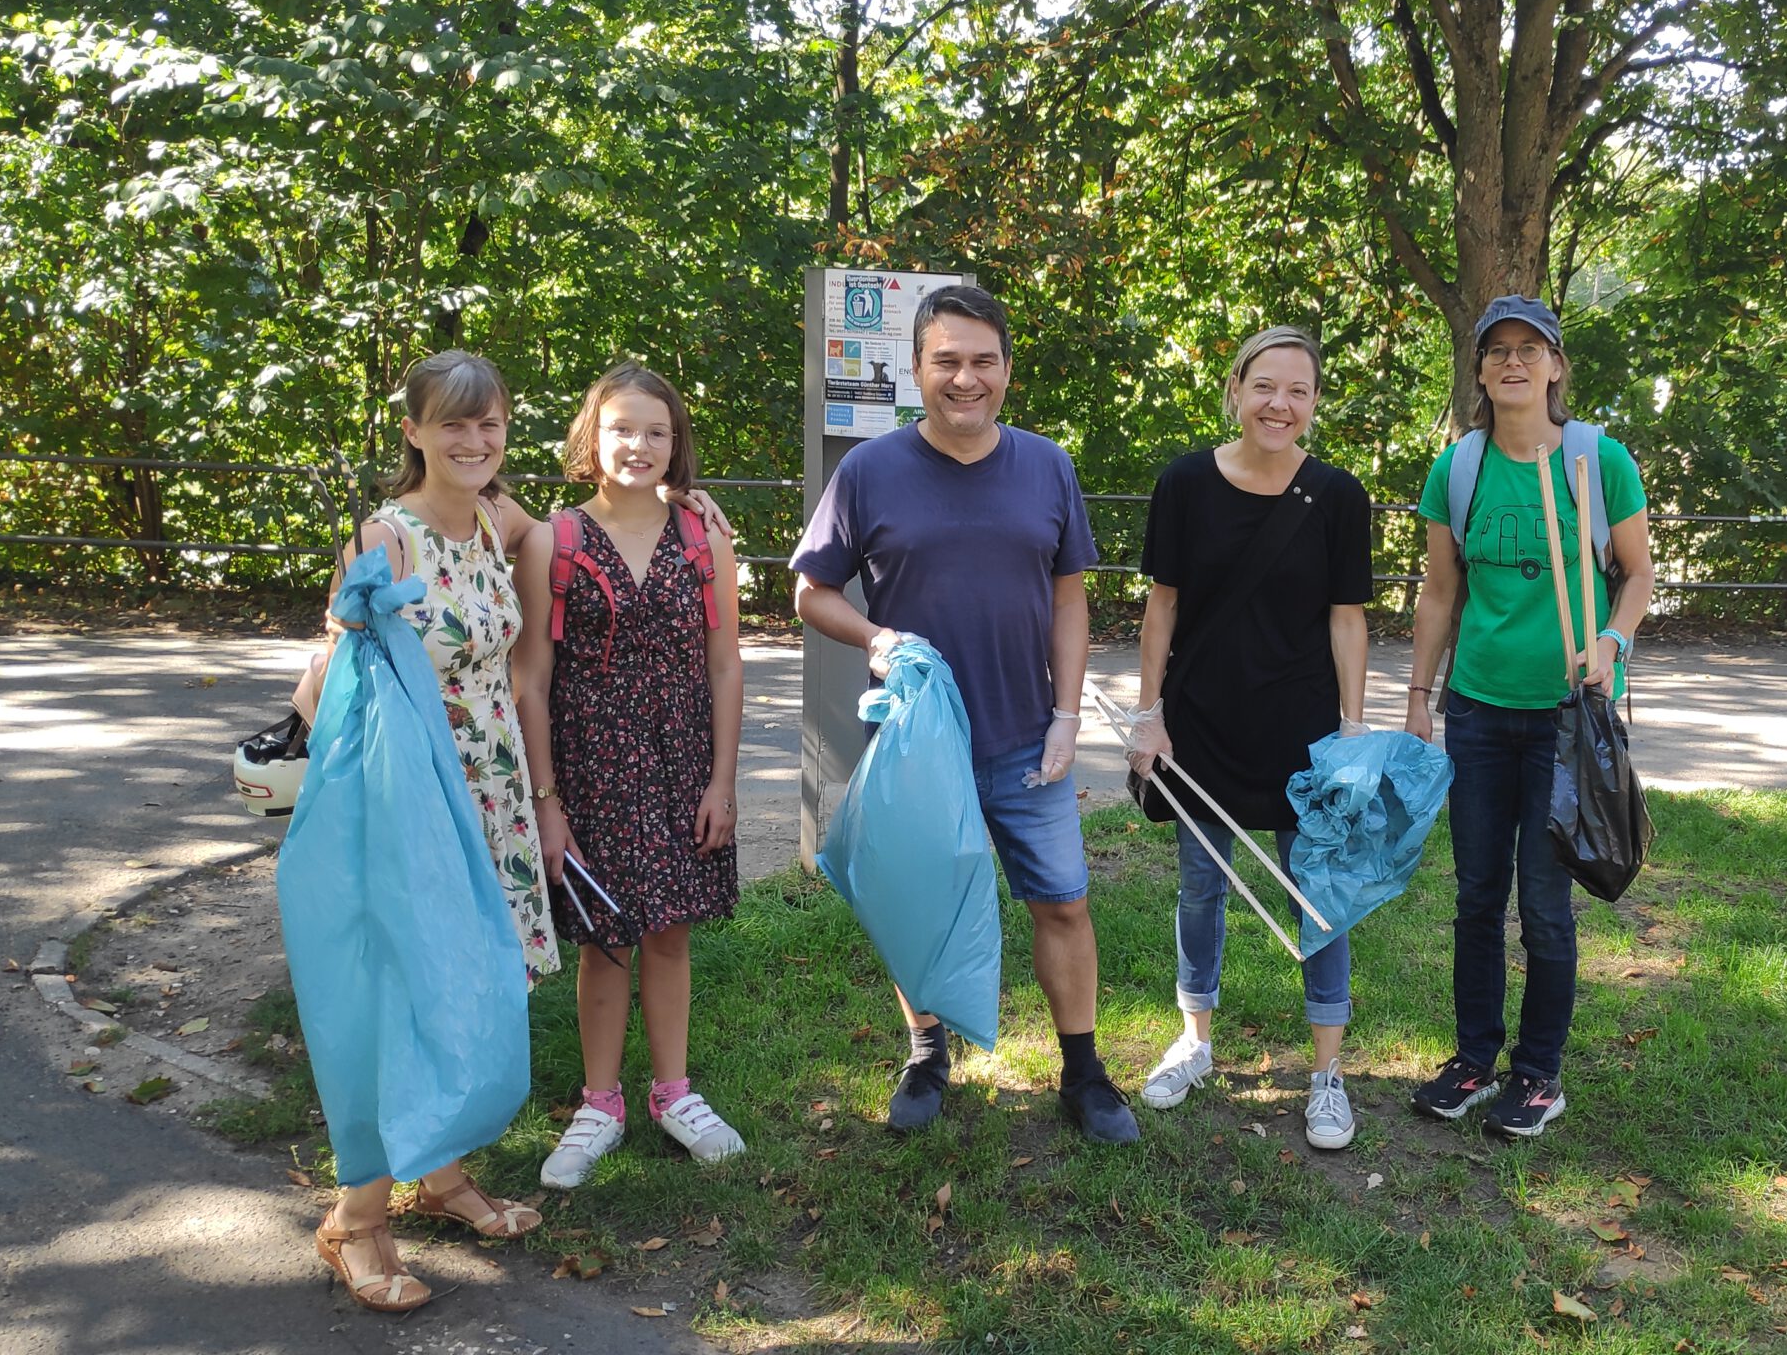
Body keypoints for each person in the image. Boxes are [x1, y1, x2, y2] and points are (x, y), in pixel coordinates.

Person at [286, 352, 735, 1311]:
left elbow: (601, 520)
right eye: (452, 424)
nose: (473, 441)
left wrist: (696, 506)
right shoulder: (388, 538)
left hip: (490, 794)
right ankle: (356, 1219)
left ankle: (441, 1175)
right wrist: (349, 632)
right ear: (412, 432)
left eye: (488, 424)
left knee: (476, 983)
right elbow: (314, 689)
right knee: (412, 989)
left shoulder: (499, 518)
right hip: (416, 801)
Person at [790, 283, 1138, 1144]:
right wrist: (875, 639)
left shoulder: (1048, 465)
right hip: (918, 745)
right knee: (922, 903)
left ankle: (1085, 1073)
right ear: (916, 369)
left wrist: (1067, 717)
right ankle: (926, 1051)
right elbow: (810, 592)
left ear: (1008, 371)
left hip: (1029, 738)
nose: (965, 378)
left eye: (983, 361)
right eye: (946, 360)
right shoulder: (867, 472)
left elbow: (1069, 600)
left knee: (1061, 904)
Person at [1400, 295, 1656, 1140]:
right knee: (1477, 896)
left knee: (1544, 905)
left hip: (1564, 719)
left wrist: (1612, 642)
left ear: (1554, 366)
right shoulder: (1459, 468)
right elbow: (1441, 592)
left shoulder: (1599, 459)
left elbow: (1638, 573)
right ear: (1478, 371)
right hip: (1477, 711)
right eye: (1497, 350)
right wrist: (1418, 698)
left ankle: (1538, 1074)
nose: (1513, 361)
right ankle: (1475, 1059)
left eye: (1530, 348)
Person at [1125, 326, 1374, 1149]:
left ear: (1313, 404)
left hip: (1302, 737)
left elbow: (1347, 620)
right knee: (1202, 889)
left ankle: (1328, 1074)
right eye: (1266, 386)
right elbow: (1162, 606)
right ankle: (1194, 1042)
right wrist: (1147, 713)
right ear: (1235, 389)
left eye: (1298, 391)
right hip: (1201, 727)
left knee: (1319, 901)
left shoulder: (1337, 496)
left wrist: (1349, 732)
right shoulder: (1186, 483)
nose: (1280, 404)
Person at [513, 361, 748, 1189]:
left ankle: (674, 1094)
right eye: (621, 430)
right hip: (592, 763)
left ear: (676, 441)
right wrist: (546, 801)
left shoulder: (703, 534)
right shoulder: (556, 538)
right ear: (592, 437)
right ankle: (599, 1103)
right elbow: (530, 680)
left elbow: (725, 666)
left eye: (656, 431)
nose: (638, 446)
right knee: (605, 936)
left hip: (683, 758)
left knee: (670, 929)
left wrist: (722, 781)